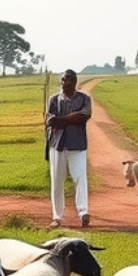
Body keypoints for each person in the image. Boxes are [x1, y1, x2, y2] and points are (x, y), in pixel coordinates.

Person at [45, 69, 94, 228]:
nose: (66, 83)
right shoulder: (54, 99)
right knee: (57, 181)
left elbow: (84, 116)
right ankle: (57, 217)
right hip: (57, 144)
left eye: (70, 80)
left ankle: (83, 212)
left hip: (77, 145)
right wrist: (71, 118)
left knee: (80, 178)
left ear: (75, 82)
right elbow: (50, 120)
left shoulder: (84, 98)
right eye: (64, 80)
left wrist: (62, 120)